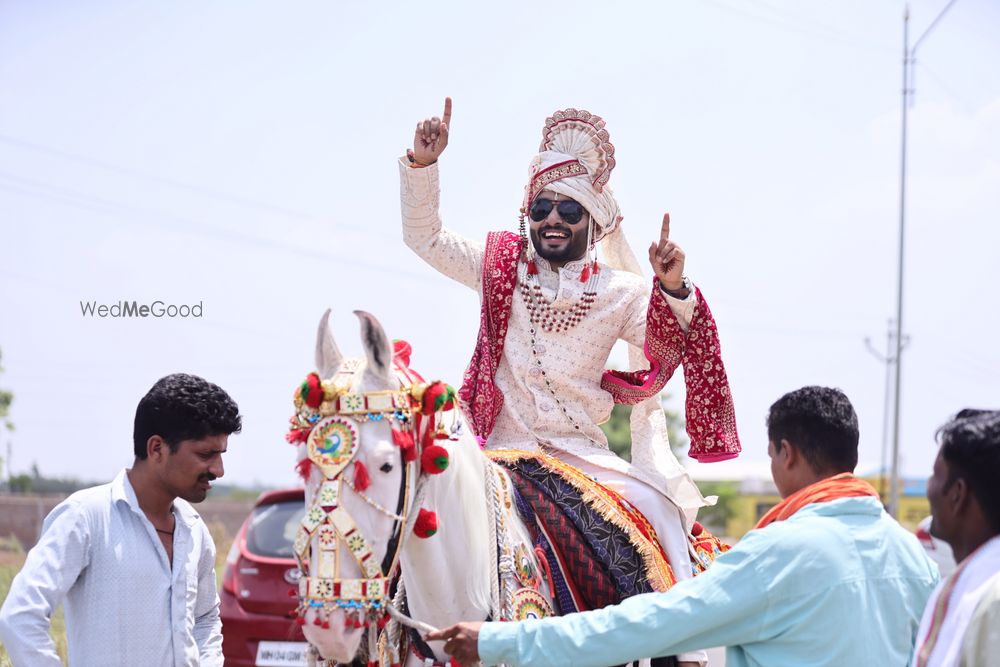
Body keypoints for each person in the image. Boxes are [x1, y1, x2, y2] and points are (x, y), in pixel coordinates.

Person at [400, 101, 739, 663]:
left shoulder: (624, 292)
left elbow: (671, 346)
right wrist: (422, 164)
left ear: (594, 221)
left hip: (582, 458)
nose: (552, 220)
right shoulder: (499, 266)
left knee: (659, 511)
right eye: (542, 208)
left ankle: (686, 650)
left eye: (568, 210)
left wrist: (674, 288)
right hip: (494, 451)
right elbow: (427, 238)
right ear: (526, 215)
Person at [426, 386, 940, 667]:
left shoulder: (779, 552)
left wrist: (500, 643)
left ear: (787, 453)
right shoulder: (915, 558)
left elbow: (644, 625)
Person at [0, 373, 241, 666]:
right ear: (157, 449)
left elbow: (205, 619)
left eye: (221, 454)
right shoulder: (85, 517)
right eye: (206, 454)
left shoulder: (194, 531)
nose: (219, 469)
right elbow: (21, 616)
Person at [912, 409, 1000, 667]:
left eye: (935, 475)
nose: (929, 488)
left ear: (957, 494)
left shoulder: (992, 600)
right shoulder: (976, 586)